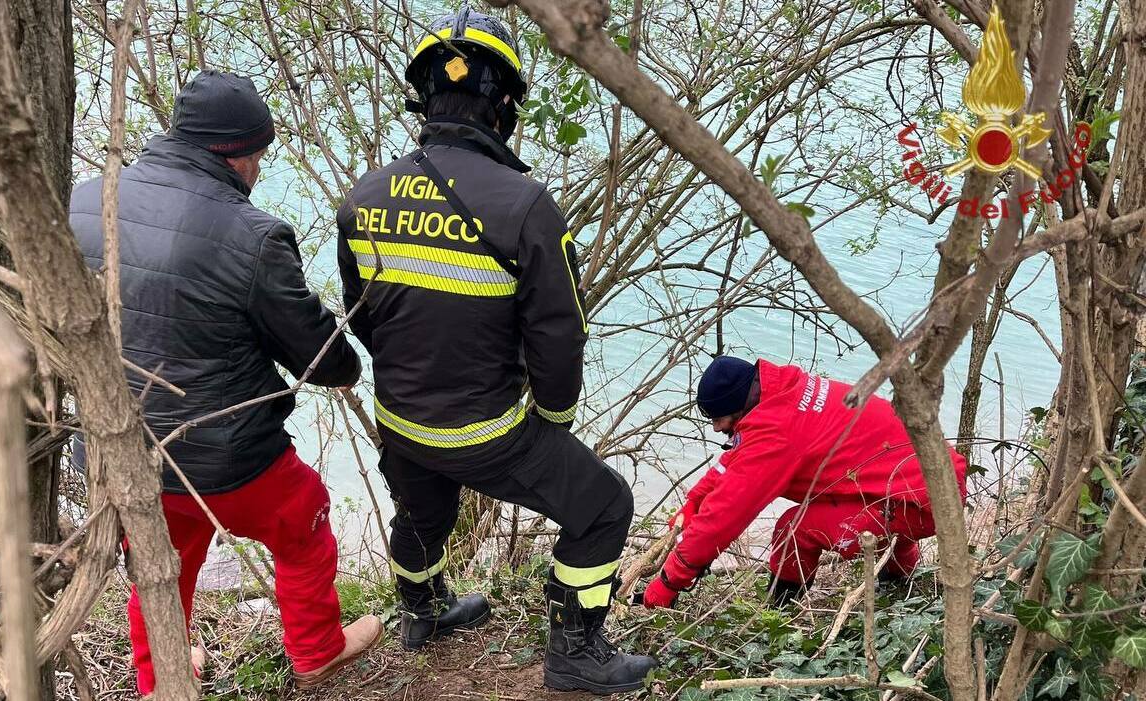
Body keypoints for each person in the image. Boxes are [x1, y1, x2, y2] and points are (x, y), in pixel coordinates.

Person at [335, 8, 654, 695]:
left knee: (424, 513)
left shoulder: (361, 198)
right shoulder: (525, 204)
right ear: (503, 105)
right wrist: (553, 422)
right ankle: (574, 651)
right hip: (486, 429)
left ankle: (421, 610)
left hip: (401, 417)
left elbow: (362, 316)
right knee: (604, 505)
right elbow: (559, 336)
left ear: (425, 97)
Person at [69, 70, 381, 695]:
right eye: (261, 156)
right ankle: (317, 649)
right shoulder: (254, 236)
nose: (260, 169)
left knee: (161, 556)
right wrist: (350, 364)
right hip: (227, 455)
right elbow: (320, 358)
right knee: (302, 515)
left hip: (116, 444)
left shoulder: (83, 199)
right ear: (239, 156)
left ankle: (164, 676)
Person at [638, 356, 969, 608]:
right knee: (868, 502)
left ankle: (778, 615)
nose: (714, 428)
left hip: (929, 499)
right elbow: (734, 463)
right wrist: (693, 503)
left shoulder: (776, 436)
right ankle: (902, 586)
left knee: (793, 531)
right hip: (923, 483)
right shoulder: (782, 395)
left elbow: (723, 519)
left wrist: (666, 585)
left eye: (717, 418)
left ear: (738, 407)